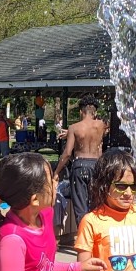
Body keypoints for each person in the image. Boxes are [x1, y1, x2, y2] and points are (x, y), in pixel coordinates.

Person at [54, 99, 105, 238]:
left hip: (79, 166)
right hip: (96, 166)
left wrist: (57, 172)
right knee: (96, 205)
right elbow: (96, 143)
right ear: (94, 112)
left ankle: (84, 240)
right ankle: (96, 239)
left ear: (80, 111)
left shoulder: (74, 127)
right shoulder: (101, 126)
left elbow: (67, 153)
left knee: (80, 206)